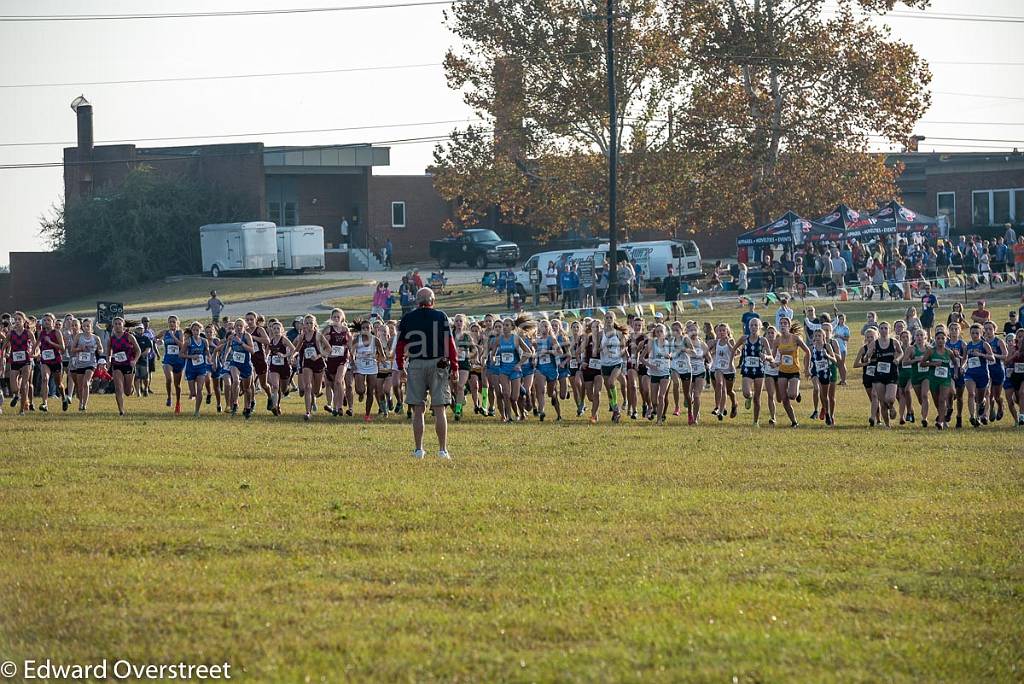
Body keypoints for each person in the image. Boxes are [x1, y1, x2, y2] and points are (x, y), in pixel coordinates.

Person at [396, 288, 459, 459]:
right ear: (433, 300)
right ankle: (442, 450)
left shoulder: (408, 318)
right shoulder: (441, 316)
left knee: (418, 409)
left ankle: (418, 449)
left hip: (416, 364)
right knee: (440, 410)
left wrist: (400, 366)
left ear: (417, 301)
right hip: (438, 363)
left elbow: (400, 345)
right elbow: (450, 344)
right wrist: (455, 367)